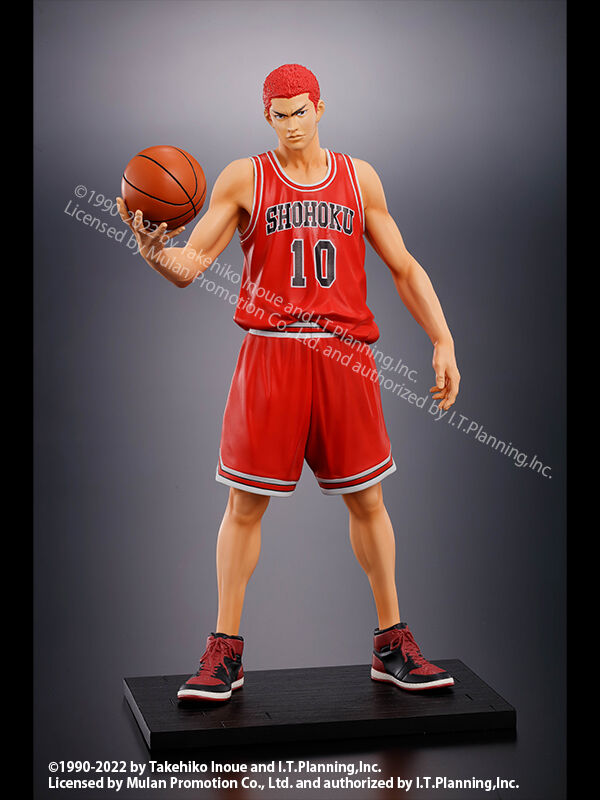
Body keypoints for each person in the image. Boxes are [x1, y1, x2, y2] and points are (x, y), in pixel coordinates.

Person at [116, 63, 460, 703]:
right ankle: (224, 652)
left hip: (344, 358)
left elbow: (404, 266)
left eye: (302, 111)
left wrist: (442, 338)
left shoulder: (359, 178)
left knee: (368, 500)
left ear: (320, 108)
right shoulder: (245, 177)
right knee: (244, 506)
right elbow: (191, 266)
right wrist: (155, 252)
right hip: (271, 356)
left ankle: (391, 644)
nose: (293, 125)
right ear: (266, 116)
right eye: (281, 115)